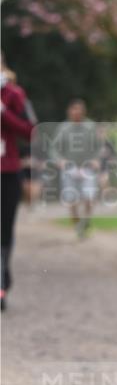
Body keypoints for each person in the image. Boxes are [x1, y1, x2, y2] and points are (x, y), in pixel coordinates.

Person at [1, 52, 36, 311]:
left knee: (3, 231)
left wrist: (4, 113)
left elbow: (30, 131)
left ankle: (1, 284)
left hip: (6, 172)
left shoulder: (14, 95)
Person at [50, 99, 102, 239]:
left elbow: (99, 147)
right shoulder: (63, 128)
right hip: (69, 169)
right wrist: (61, 161)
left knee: (89, 197)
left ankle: (86, 221)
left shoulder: (91, 127)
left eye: (80, 109)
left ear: (84, 111)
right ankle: (77, 224)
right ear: (69, 111)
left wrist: (96, 160)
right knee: (71, 199)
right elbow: (54, 149)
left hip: (88, 168)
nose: (77, 112)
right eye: (74, 109)